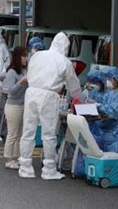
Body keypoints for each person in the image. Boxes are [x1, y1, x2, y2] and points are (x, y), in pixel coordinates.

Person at [18, 32, 82, 180]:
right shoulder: (64, 61)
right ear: (66, 47)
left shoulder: (37, 56)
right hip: (49, 95)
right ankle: (49, 169)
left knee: (28, 131)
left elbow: (30, 73)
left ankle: (25, 167)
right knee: (49, 135)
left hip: (31, 92)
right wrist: (79, 98)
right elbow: (74, 85)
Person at [91, 67, 118, 153]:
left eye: (110, 78)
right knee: (91, 131)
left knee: (95, 139)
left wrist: (98, 106)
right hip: (110, 127)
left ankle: (104, 161)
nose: (108, 80)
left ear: (117, 80)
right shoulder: (111, 93)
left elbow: (111, 113)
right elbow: (103, 102)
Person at [2, 46, 28, 169]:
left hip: (24, 105)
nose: (26, 59)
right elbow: (9, 90)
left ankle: (16, 157)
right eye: (24, 56)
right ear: (18, 57)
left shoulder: (24, 71)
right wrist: (20, 82)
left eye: (26, 56)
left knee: (20, 134)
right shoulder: (12, 72)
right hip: (13, 106)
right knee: (12, 133)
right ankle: (9, 158)